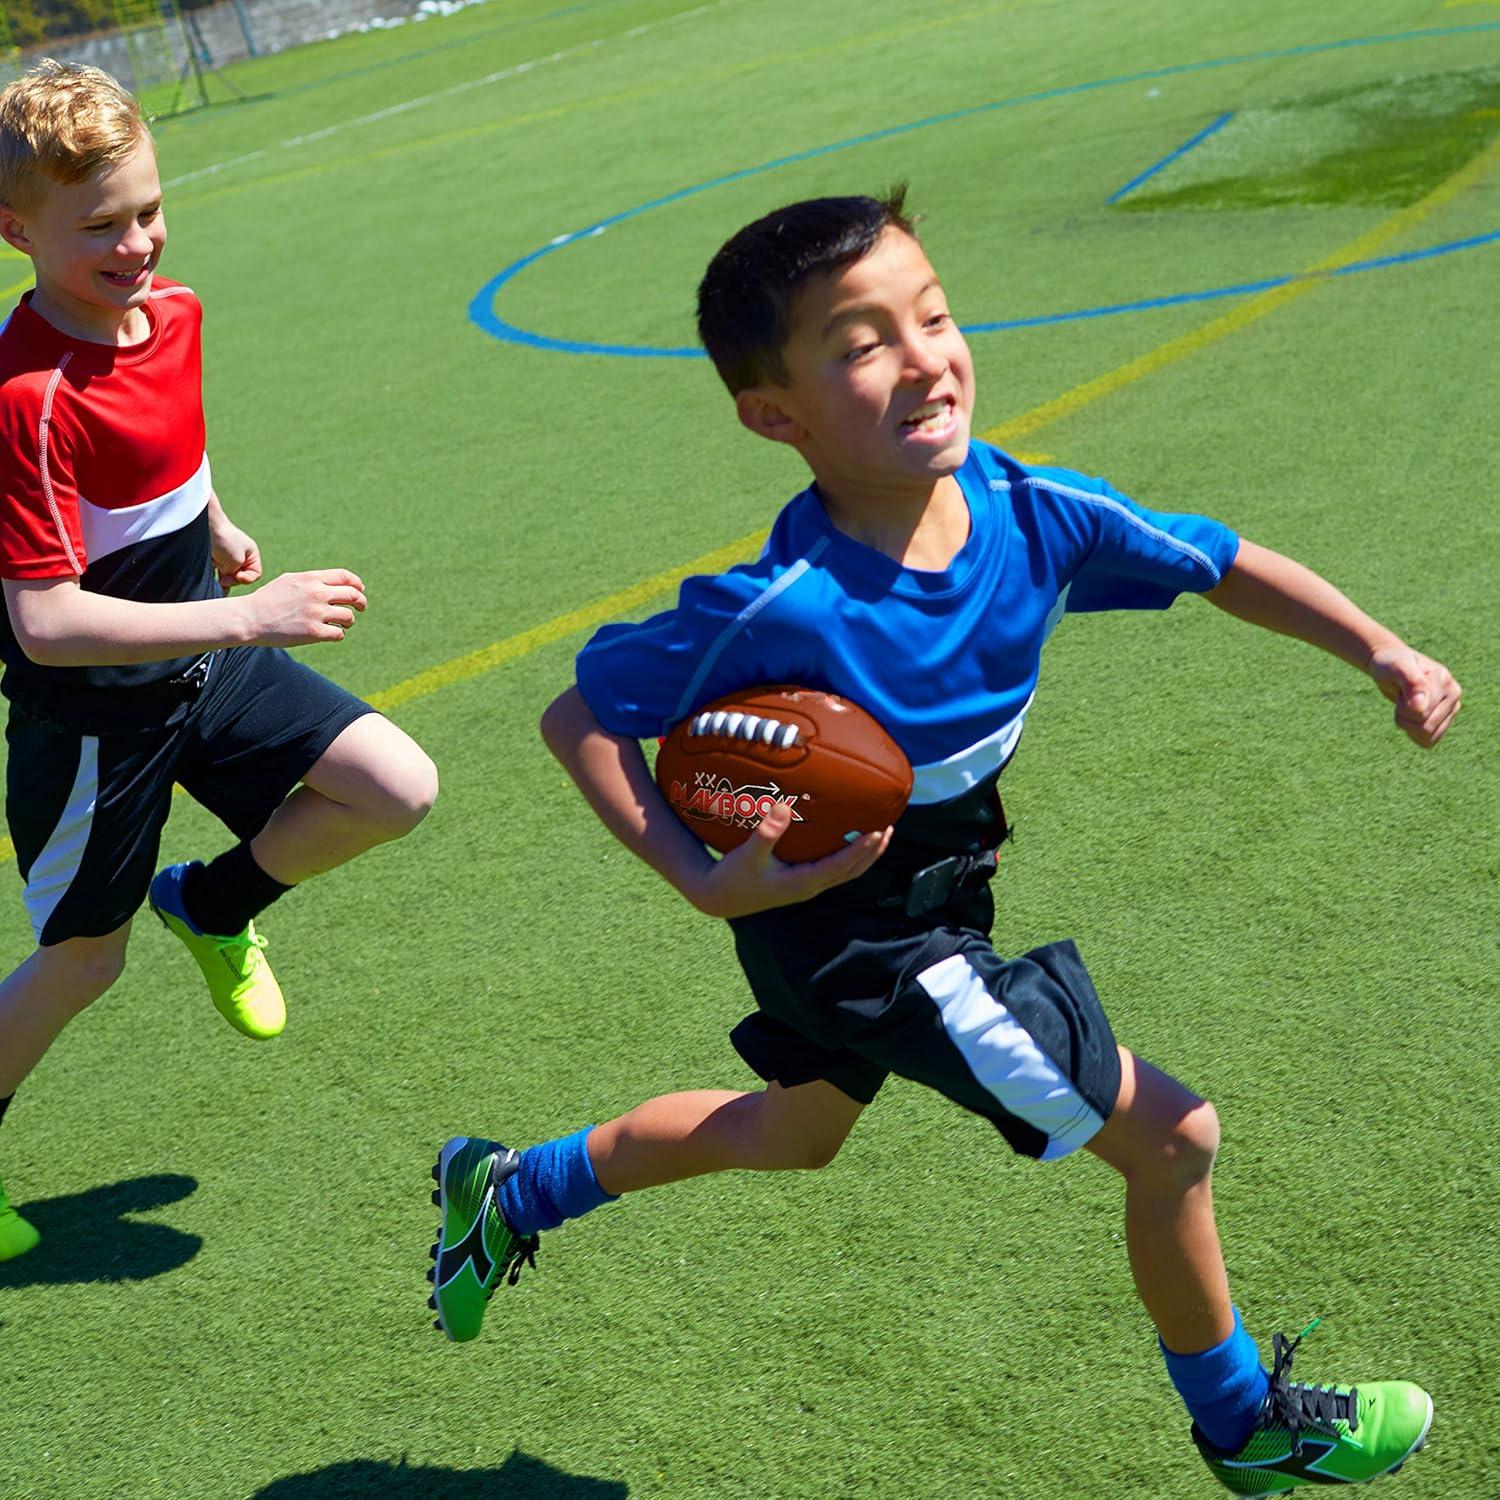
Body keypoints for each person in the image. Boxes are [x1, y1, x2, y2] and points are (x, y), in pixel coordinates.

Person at [429, 190, 1459, 1493]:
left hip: (934, 901)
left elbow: (1214, 560)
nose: (923, 356)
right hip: (866, 945)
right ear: (775, 416)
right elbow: (579, 709)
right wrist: (692, 874)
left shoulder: (1031, 512)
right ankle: (1242, 1422)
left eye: (933, 314)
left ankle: (511, 1192)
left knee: (793, 1135)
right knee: (1174, 1139)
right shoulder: (775, 612)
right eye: (862, 343)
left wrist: (1381, 650)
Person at [0, 61, 438, 1263]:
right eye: (100, 226)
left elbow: (168, 455)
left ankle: (216, 901)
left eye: (147, 210)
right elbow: (46, 620)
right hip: (97, 718)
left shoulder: (176, 311)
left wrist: (217, 523)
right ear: (13, 229)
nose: (136, 243)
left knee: (396, 788)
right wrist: (256, 615)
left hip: (197, 649)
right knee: (84, 962)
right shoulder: (25, 396)